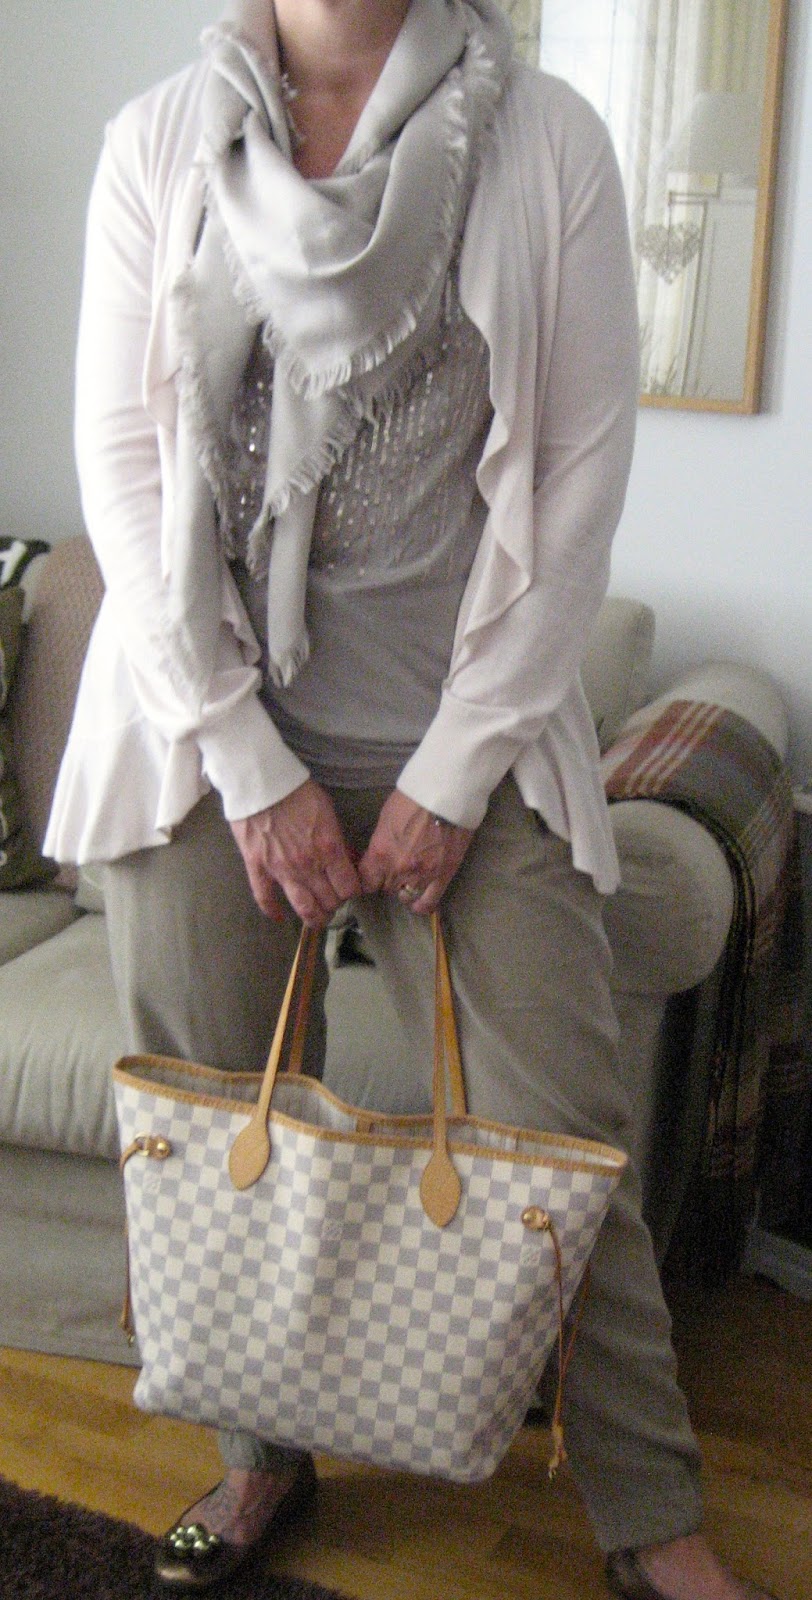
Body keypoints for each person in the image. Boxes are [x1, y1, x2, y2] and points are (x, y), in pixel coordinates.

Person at [45, 2, 780, 1597]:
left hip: (474, 738)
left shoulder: (547, 142)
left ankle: (652, 1519)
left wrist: (450, 779)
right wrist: (249, 764)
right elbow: (125, 469)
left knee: (564, 1138)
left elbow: (576, 483)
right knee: (216, 1124)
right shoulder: (157, 147)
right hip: (208, 737)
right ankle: (258, 1461)